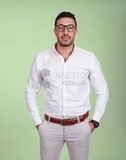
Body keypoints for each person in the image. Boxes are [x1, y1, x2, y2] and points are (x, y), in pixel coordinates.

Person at [25, 11, 109, 160]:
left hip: (80, 126)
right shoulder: (42, 58)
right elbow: (31, 90)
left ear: (76, 30)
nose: (65, 32)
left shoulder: (88, 58)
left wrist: (94, 122)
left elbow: (103, 90)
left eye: (70, 27)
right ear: (55, 30)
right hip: (50, 127)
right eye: (61, 27)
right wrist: (38, 123)